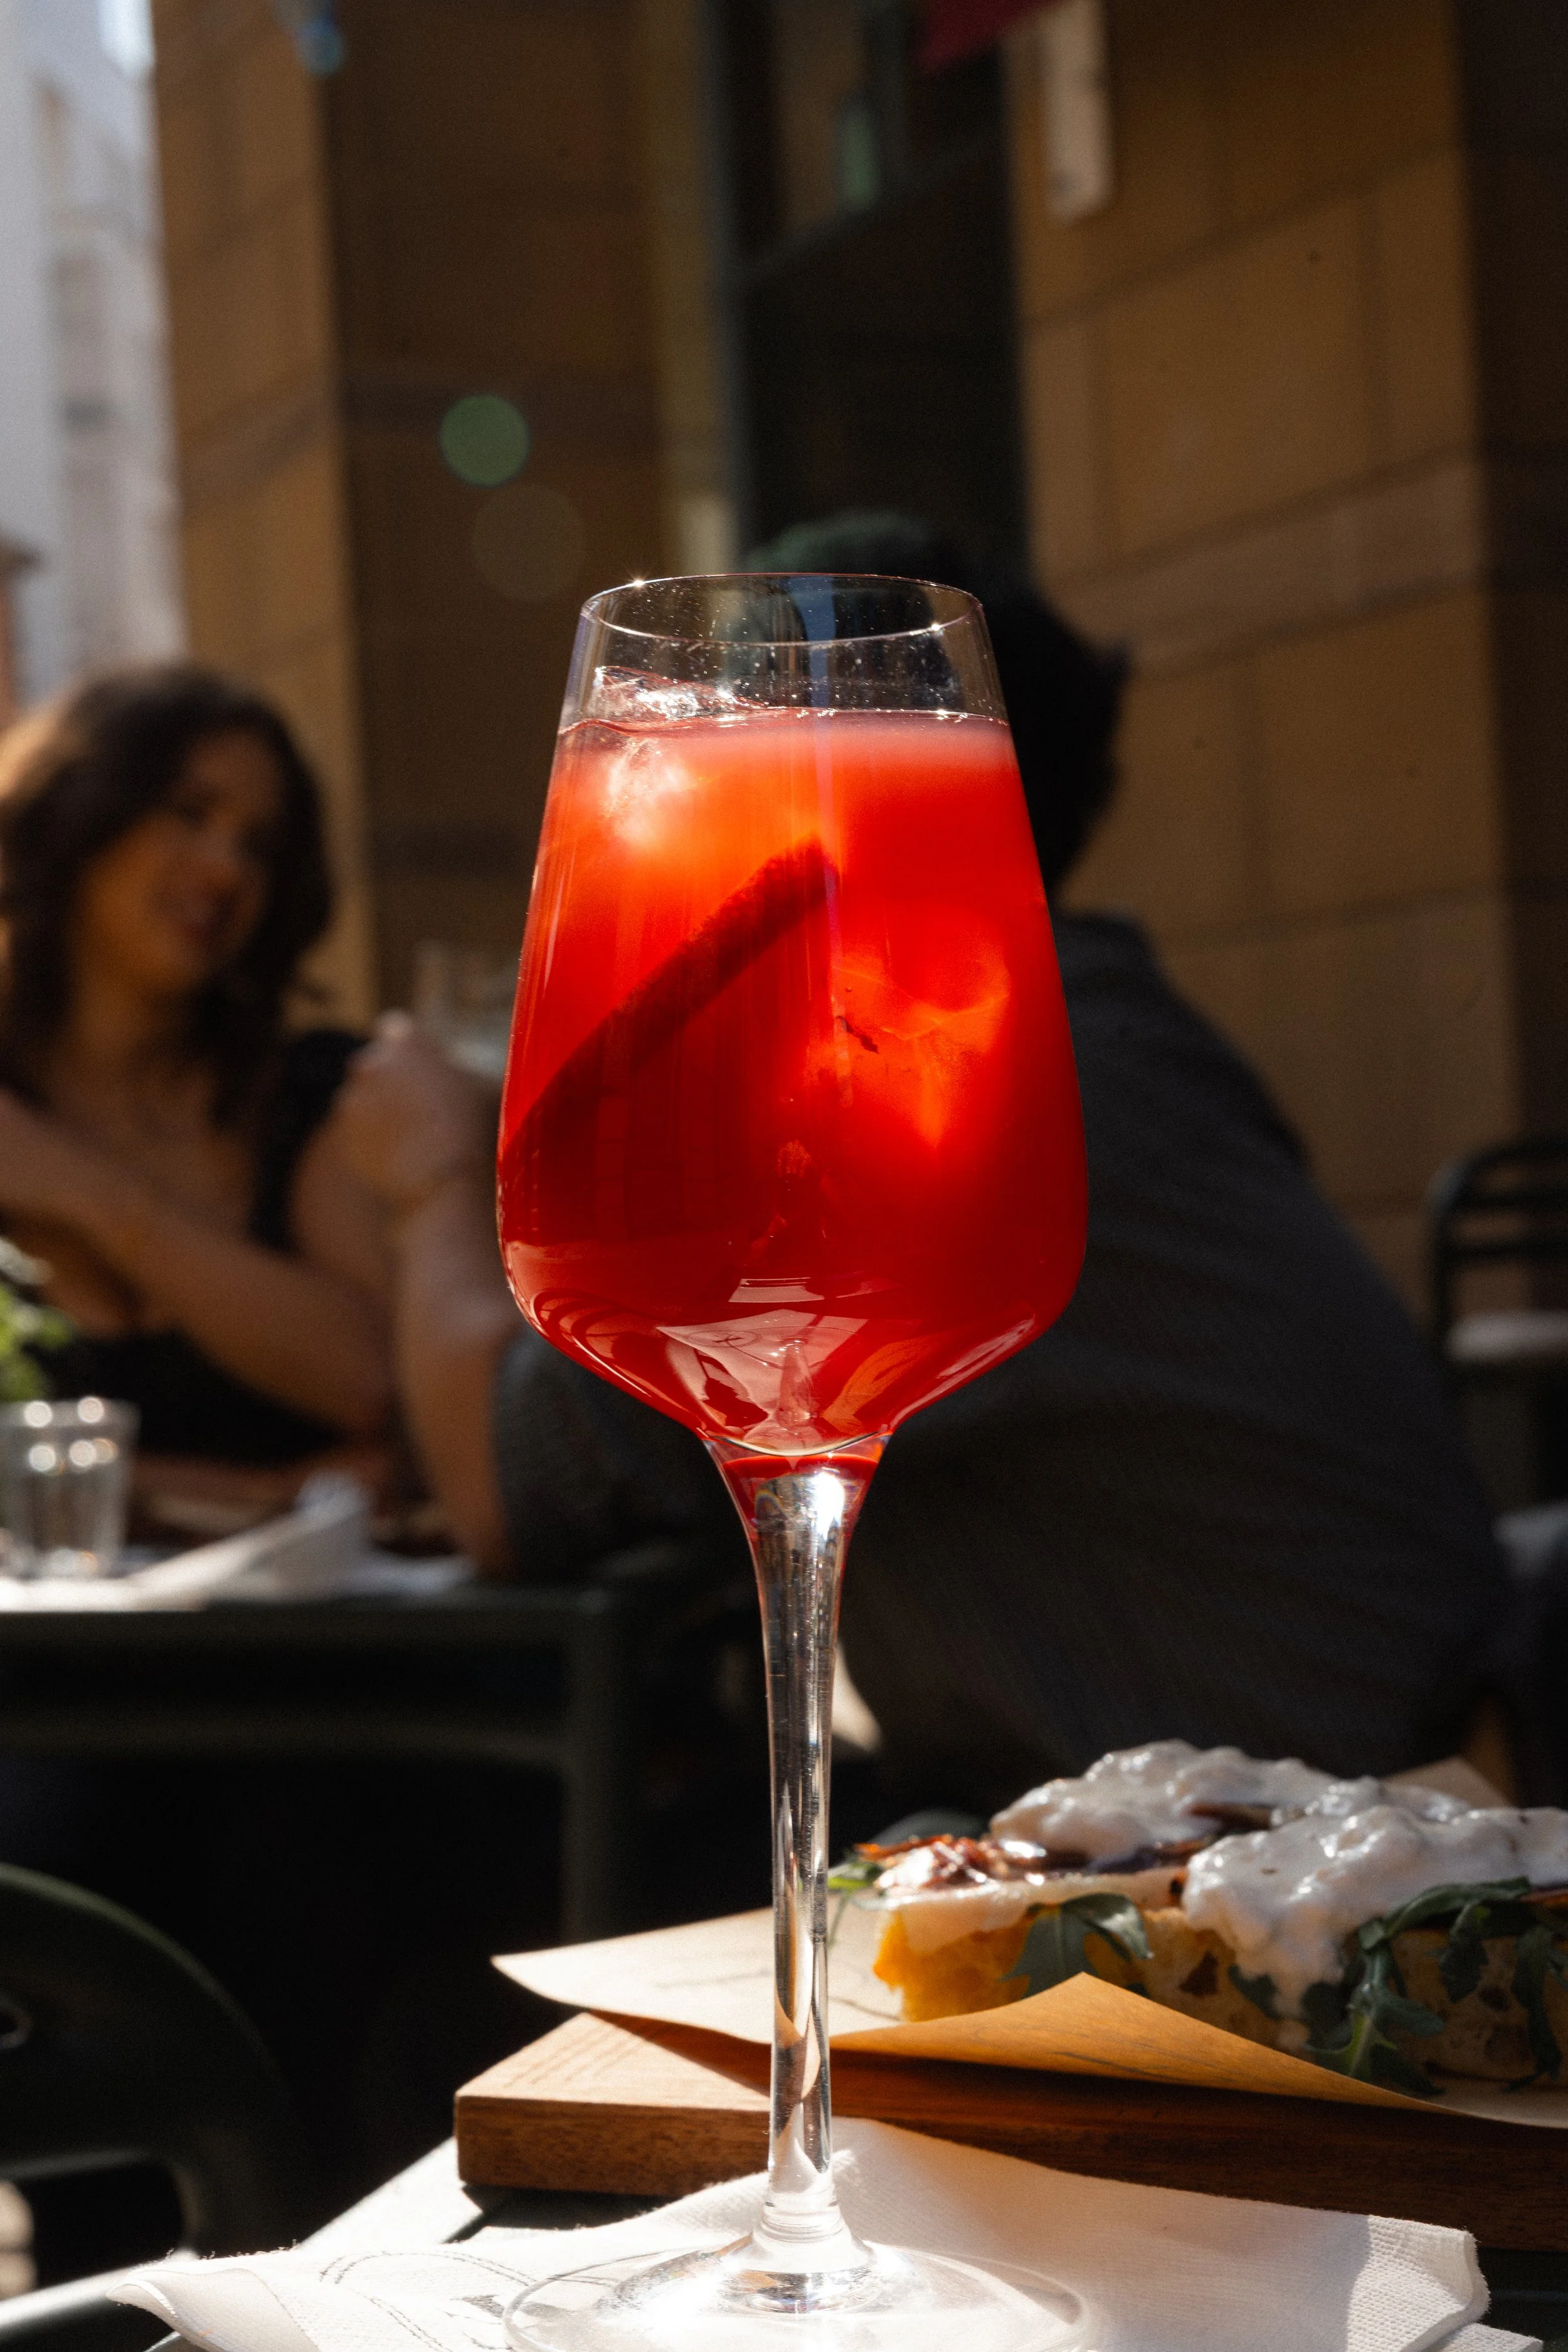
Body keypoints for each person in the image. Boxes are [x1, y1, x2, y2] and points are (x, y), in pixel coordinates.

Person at [332, 519, 1509, 1813]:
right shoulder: (1105, 1032)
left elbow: (517, 1486)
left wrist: (431, 1176)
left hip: (1297, 1838)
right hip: (1303, 1768)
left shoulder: (942, 1072)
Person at [0, 665, 393, 1479]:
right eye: (190, 814)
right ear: (80, 810)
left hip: (317, 1610)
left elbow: (376, 1387)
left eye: (258, 845)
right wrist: (267, 1495)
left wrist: (82, 1191)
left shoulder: (312, 1097)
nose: (226, 870)